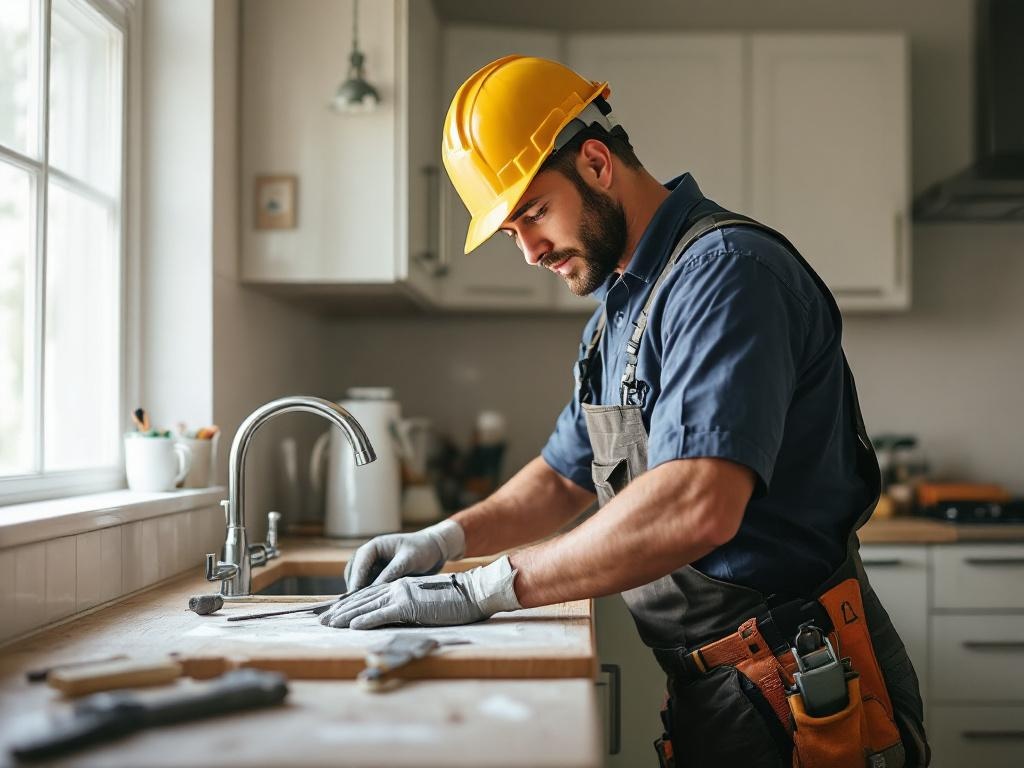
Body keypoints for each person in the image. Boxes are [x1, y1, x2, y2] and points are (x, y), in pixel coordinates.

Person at [319, 56, 929, 767]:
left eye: (534, 214)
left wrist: (482, 589)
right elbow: (560, 477)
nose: (530, 251)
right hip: (721, 686)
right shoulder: (618, 313)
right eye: (511, 231)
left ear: (598, 163)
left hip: (806, 683)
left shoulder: (726, 275)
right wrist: (442, 541)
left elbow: (695, 508)